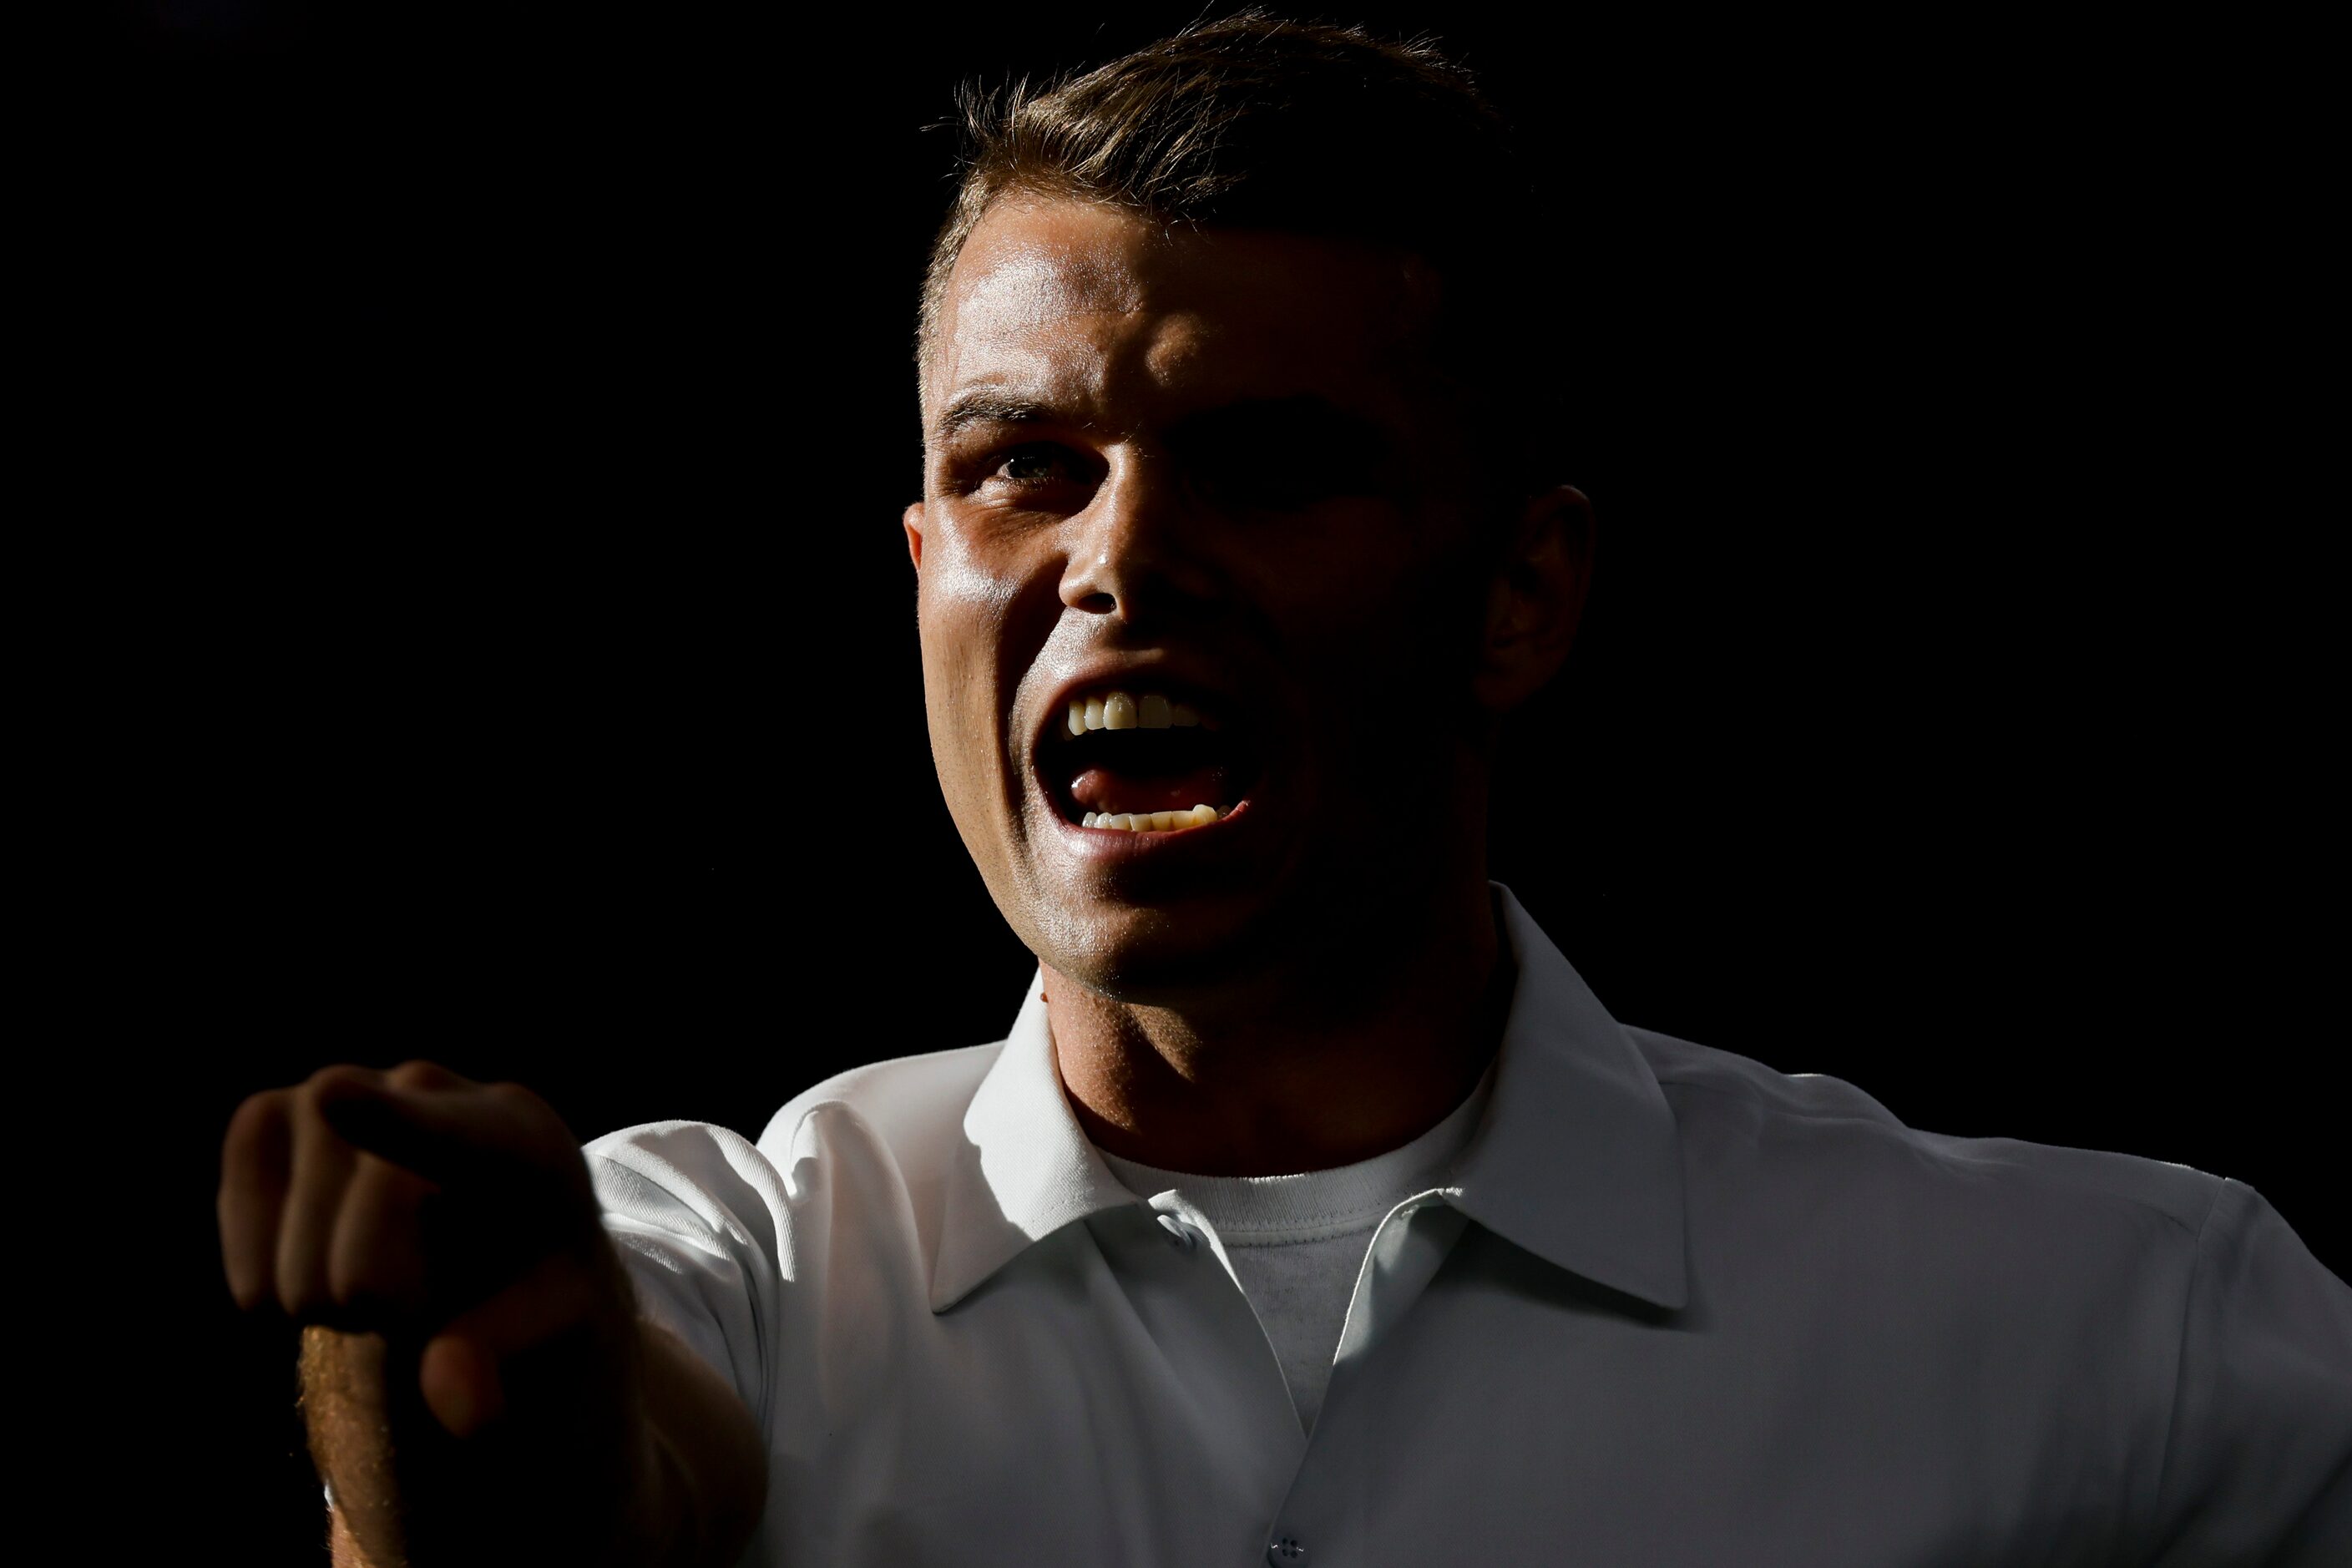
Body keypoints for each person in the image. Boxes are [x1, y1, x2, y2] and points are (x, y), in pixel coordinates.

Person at [217, 14, 2351, 1566]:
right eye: (1018, 468)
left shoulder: (2120, 1335)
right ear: (923, 575)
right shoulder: (726, 1269)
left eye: (1267, 466)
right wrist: (436, 1347)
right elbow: (557, 1487)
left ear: (1518, 592)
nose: (1117, 559)